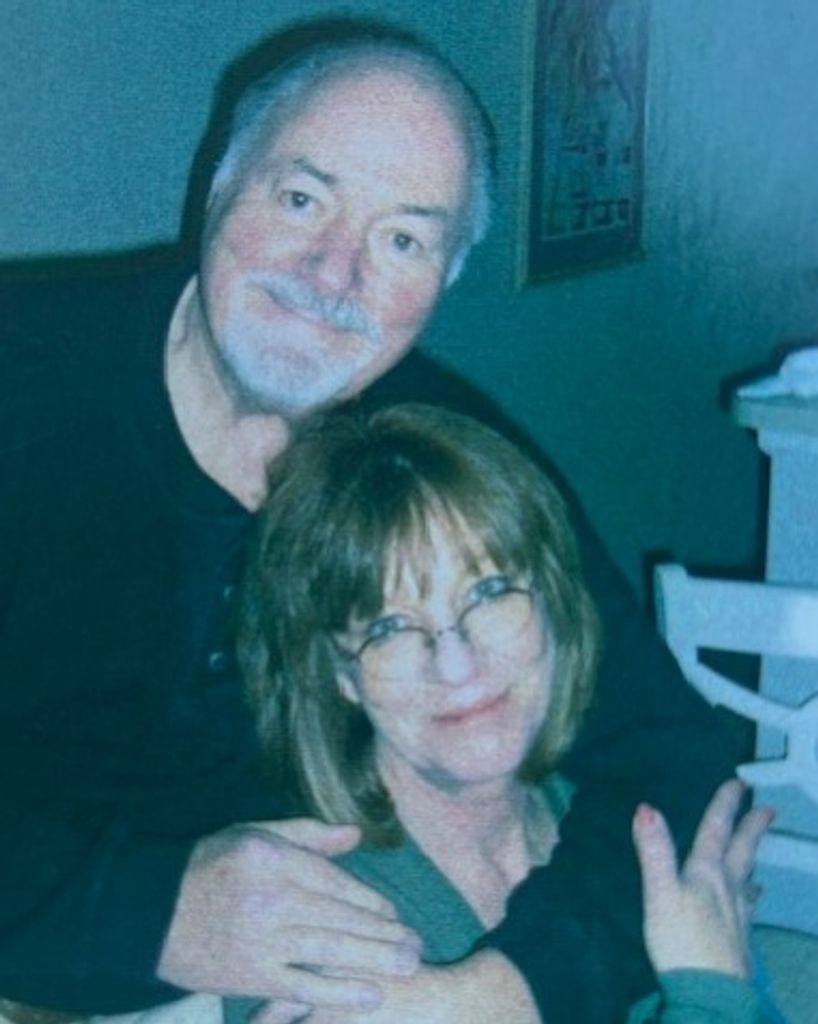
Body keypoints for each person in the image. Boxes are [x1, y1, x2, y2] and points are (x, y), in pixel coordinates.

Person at [0, 20, 736, 1024]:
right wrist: (143, 913)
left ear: (447, 279)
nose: (331, 273)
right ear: (219, 182)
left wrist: (499, 991)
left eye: (402, 240)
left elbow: (677, 763)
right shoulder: (25, 386)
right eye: (302, 199)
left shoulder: (433, 454)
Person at [227, 403, 770, 1024]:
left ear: (554, 602)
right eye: (389, 628)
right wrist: (710, 996)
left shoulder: (613, 826)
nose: (456, 665)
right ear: (340, 676)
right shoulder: (320, 929)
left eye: (488, 592)